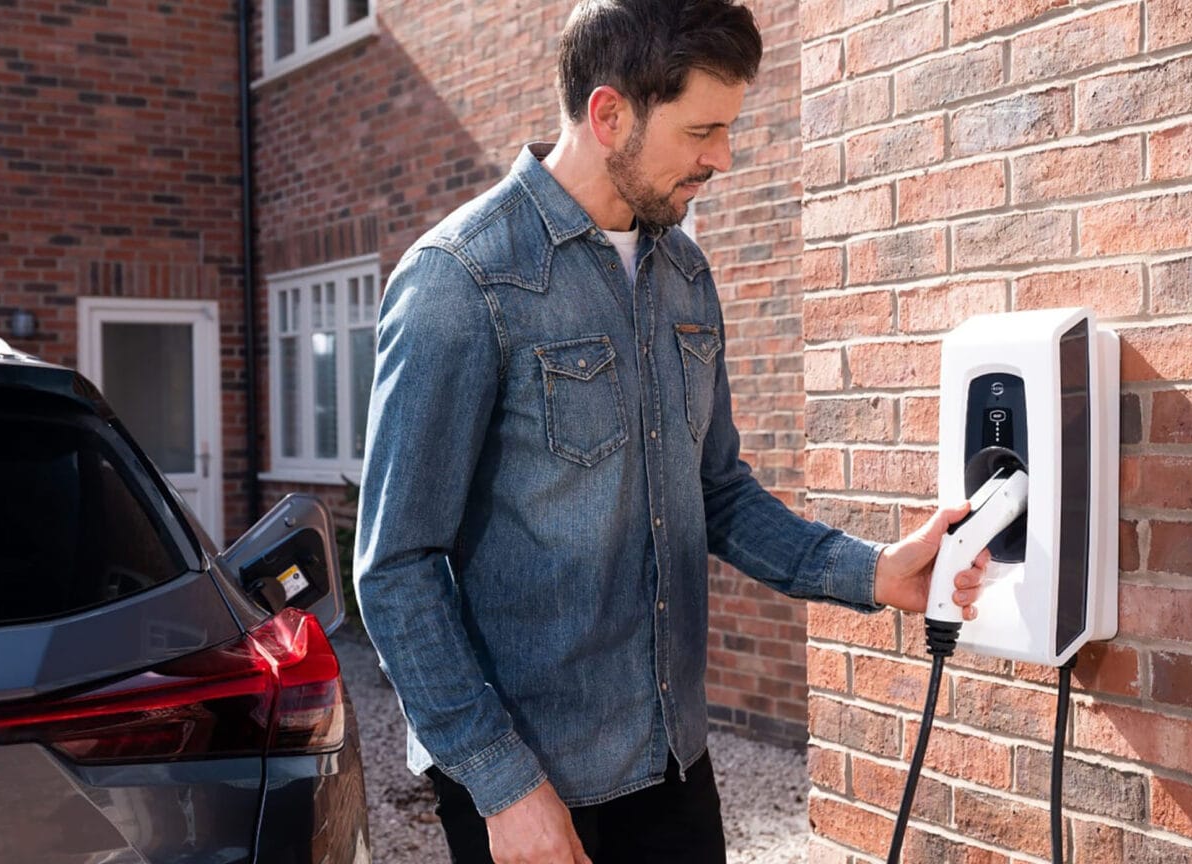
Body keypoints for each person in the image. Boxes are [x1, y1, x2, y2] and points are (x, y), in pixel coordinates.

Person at [354, 2, 989, 862]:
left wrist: (872, 572)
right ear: (610, 114)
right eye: (702, 130)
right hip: (537, 779)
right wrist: (500, 784)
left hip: (673, 758)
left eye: (728, 130)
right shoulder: (460, 280)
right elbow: (396, 568)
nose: (722, 157)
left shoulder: (684, 272)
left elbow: (716, 490)